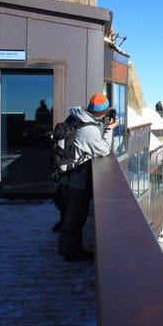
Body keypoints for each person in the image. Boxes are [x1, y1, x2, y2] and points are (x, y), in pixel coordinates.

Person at [58, 93, 119, 262]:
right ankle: (72, 252)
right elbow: (104, 149)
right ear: (103, 112)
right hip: (77, 179)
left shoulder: (76, 117)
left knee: (68, 214)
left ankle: (63, 247)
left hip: (66, 176)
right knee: (76, 218)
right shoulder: (89, 129)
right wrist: (109, 129)